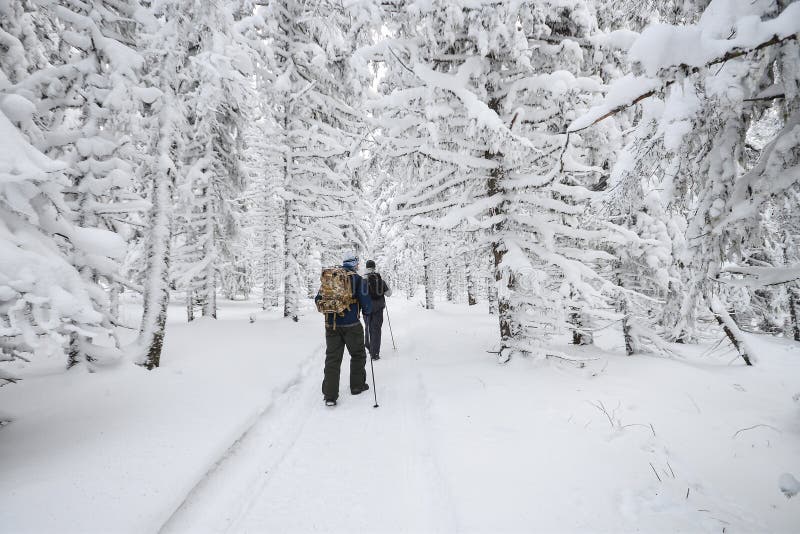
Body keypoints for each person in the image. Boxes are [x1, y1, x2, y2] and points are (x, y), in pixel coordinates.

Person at [315, 253, 372, 407]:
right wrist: (367, 312)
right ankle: (357, 386)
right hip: (352, 325)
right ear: (354, 264)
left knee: (333, 359)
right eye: (357, 263)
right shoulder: (358, 279)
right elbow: (366, 303)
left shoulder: (331, 276)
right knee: (358, 355)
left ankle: (330, 395)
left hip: (331, 324)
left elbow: (317, 299)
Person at [363, 259, 392, 361]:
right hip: (379, 308)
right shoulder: (380, 279)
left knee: (367, 327)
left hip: (366, 309)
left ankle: (368, 346)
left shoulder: (362, 280)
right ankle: (375, 353)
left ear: (366, 267)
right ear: (374, 267)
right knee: (376, 329)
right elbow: (389, 293)